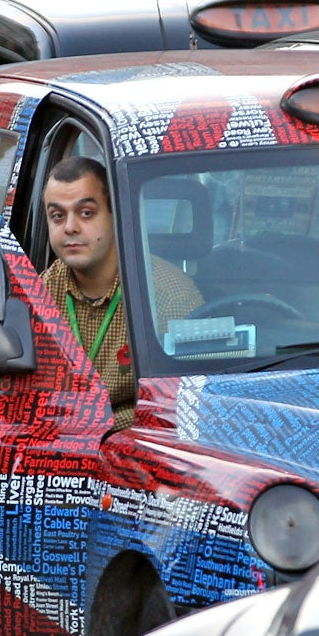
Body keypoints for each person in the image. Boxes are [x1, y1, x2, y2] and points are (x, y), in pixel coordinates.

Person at [40, 156, 203, 431]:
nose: (70, 227)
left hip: (138, 449)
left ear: (116, 213)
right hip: (61, 450)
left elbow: (188, 410)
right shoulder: (40, 294)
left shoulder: (169, 297)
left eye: (86, 213)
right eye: (58, 216)